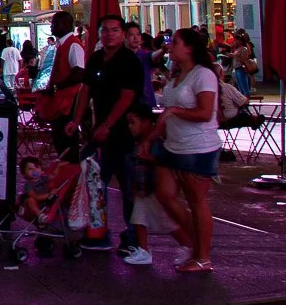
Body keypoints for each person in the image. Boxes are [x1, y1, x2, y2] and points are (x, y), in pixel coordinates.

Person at [83, 14, 153, 265]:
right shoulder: (96, 59)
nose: (109, 34)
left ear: (122, 34)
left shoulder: (129, 62)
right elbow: (85, 90)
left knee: (129, 191)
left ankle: (133, 239)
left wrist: (107, 125)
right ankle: (98, 233)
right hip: (100, 136)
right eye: (105, 30)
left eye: (114, 30)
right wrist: (75, 119)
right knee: (94, 186)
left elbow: (126, 97)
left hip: (125, 136)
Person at [152, 27, 222, 271]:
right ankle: (197, 240)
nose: (170, 47)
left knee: (196, 200)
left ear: (189, 48)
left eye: (176, 43)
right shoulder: (177, 75)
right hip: (173, 144)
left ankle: (203, 256)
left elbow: (205, 112)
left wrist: (173, 112)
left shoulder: (203, 75)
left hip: (198, 147)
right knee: (164, 193)